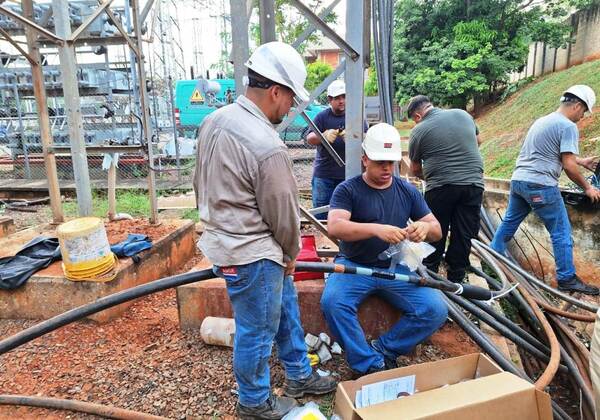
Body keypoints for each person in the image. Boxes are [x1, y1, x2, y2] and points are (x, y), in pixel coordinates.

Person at [193, 41, 336, 419]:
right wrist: (290, 255)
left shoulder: (215, 120)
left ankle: (299, 374)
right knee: (256, 331)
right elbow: (283, 214)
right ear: (275, 91)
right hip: (254, 251)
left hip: (231, 239)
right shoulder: (265, 144)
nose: (291, 108)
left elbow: (199, 180)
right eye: (291, 99)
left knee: (284, 308)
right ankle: (254, 403)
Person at [321, 123, 447, 376]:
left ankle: (384, 350)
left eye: (391, 162)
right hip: (354, 265)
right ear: (365, 159)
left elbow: (437, 229)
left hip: (393, 267)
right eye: (380, 162)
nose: (387, 168)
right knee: (333, 302)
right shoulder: (348, 189)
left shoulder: (407, 191)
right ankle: (366, 364)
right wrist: (376, 229)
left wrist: (424, 229)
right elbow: (335, 226)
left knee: (435, 309)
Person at [491, 85, 600, 295]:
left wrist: (582, 160)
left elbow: (551, 152)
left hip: (519, 181)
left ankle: (494, 257)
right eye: (584, 111)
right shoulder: (568, 126)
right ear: (577, 106)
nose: (582, 116)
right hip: (540, 185)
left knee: (510, 221)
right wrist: (588, 188)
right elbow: (568, 166)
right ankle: (567, 278)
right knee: (561, 233)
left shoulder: (543, 121)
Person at [407, 95, 484, 284]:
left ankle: (431, 273)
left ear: (417, 115)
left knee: (435, 230)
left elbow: (415, 169)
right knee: (464, 231)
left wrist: (435, 175)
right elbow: (478, 140)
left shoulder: (419, 130)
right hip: (473, 184)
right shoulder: (463, 115)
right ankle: (457, 277)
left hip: (441, 188)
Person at [305, 80, 367, 219]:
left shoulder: (355, 117)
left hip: (349, 175)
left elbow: (367, 138)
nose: (342, 101)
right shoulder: (322, 117)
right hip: (324, 175)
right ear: (329, 99)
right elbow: (309, 138)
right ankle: (324, 240)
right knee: (321, 214)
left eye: (344, 97)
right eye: (337, 98)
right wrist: (323, 136)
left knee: (347, 214)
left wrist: (355, 137)